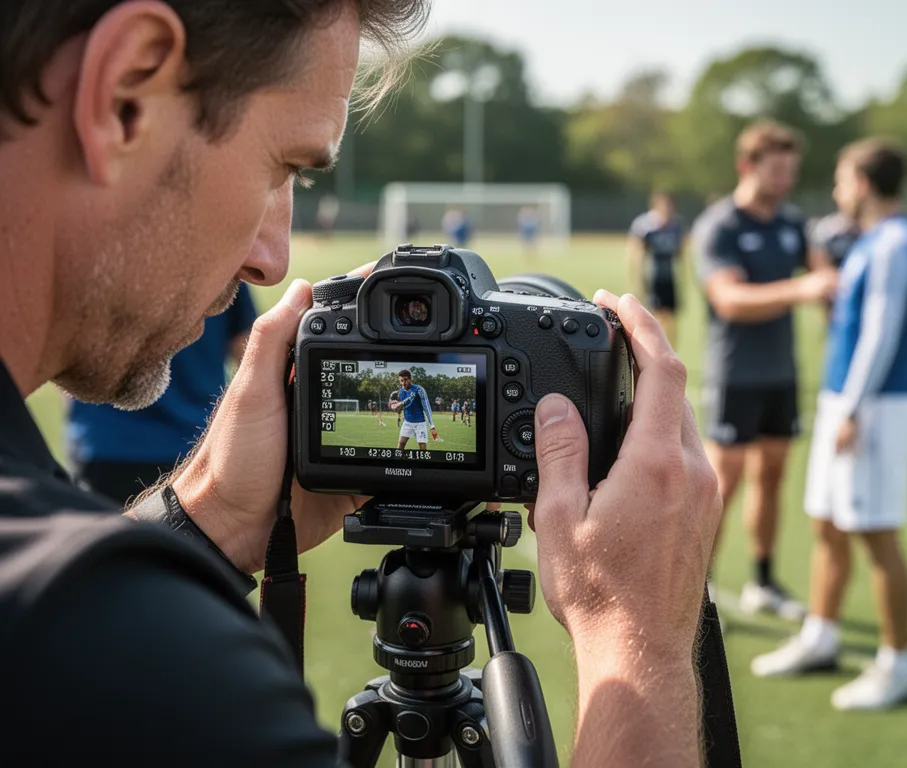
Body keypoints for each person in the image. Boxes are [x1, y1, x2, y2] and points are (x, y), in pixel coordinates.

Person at [0, 1, 724, 765]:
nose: (272, 263)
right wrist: (635, 635)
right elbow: (79, 633)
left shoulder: (53, 608)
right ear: (125, 95)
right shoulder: (111, 641)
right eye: (284, 169)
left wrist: (208, 519)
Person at [752, 139, 907, 711]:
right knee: (826, 521)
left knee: (877, 535)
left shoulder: (894, 242)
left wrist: (853, 406)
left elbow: (880, 332)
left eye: (842, 178)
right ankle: (821, 636)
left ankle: (898, 665)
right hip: (847, 401)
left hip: (875, 406)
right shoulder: (871, 241)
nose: (836, 190)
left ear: (865, 183)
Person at [692, 120, 837, 620]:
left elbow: (824, 273)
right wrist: (802, 289)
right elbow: (728, 299)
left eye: (791, 171)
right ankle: (697, 589)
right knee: (721, 487)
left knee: (772, 476)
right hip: (735, 374)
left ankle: (764, 580)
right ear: (746, 166)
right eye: (776, 170)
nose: (785, 180)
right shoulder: (721, 226)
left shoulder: (791, 224)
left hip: (781, 373)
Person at [66, 284, 258, 506]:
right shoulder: (222, 267)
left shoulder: (101, 266)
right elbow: (248, 357)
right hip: (196, 442)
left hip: (108, 441)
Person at [627, 190, 687, 350]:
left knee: (671, 317)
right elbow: (637, 255)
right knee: (652, 316)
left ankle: (671, 351)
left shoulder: (676, 225)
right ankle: (653, 349)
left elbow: (681, 254)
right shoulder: (646, 226)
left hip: (669, 277)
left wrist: (683, 281)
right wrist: (638, 282)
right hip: (653, 277)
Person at [390, 369, 437, 450]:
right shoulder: (401, 391)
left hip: (420, 423)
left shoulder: (419, 390)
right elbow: (402, 407)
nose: (403, 383)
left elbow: (427, 407)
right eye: (401, 381)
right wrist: (396, 407)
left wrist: (432, 425)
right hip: (407, 422)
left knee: (422, 448)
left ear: (410, 379)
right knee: (401, 443)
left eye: (405, 380)